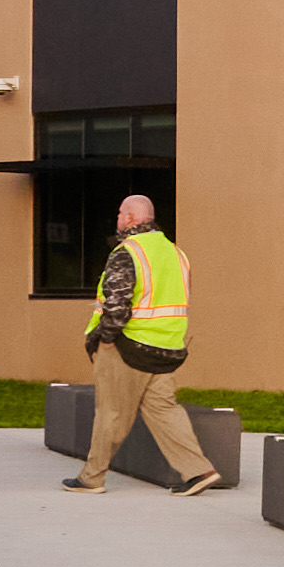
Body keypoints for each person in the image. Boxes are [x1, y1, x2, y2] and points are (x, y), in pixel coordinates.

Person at [66, 191, 219, 491]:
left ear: (132, 218)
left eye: (121, 213)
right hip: (167, 348)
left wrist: (104, 339)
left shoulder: (128, 252)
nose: (118, 218)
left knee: (110, 413)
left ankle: (91, 478)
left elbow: (117, 304)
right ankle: (199, 471)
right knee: (164, 410)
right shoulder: (176, 253)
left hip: (128, 347)